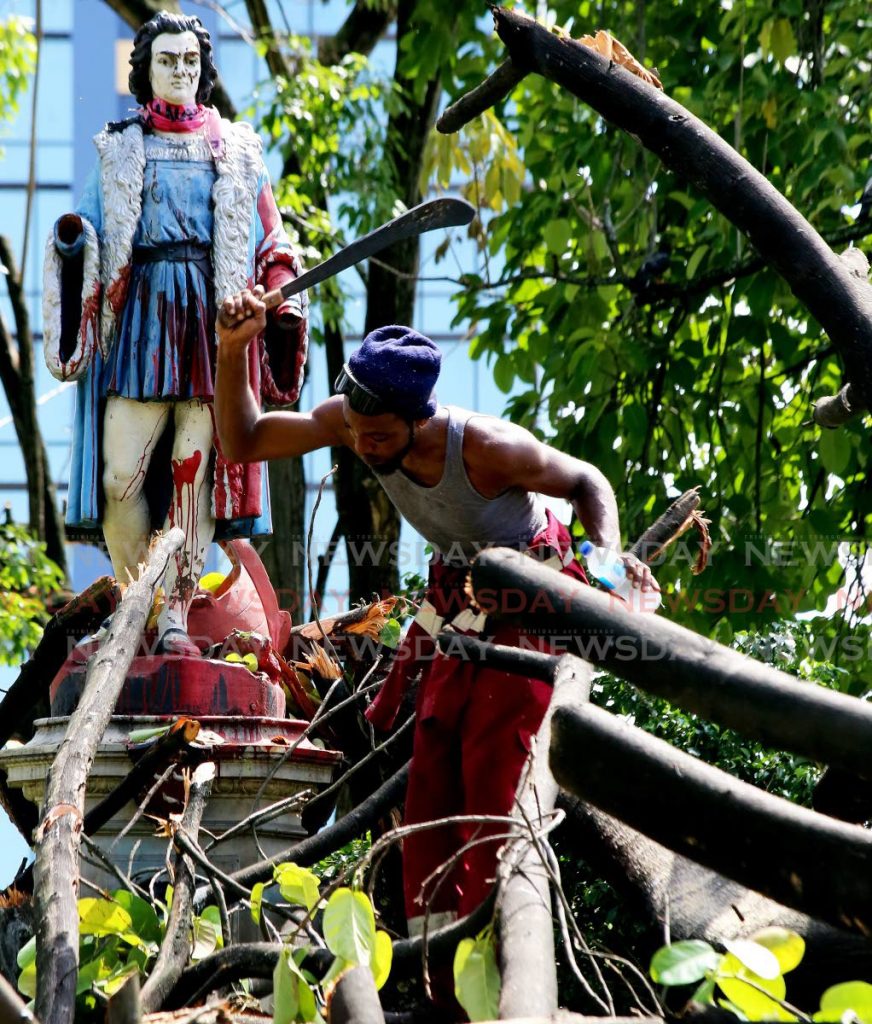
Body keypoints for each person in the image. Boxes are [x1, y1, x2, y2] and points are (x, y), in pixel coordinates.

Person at [214, 286, 659, 941]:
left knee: (491, 761)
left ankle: (496, 939)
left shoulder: (485, 447)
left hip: (528, 589)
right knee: (434, 748)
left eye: (381, 436)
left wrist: (609, 569)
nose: (364, 446)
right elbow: (244, 440)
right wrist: (232, 350)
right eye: (357, 433)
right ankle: (437, 956)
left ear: (417, 419)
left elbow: (587, 481)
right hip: (458, 592)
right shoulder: (350, 421)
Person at [42, 12, 308, 655]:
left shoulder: (239, 151)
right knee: (120, 479)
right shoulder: (119, 147)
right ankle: (136, 601)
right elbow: (89, 228)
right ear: (145, 70)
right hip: (140, 324)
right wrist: (76, 244)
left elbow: (273, 240)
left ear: (203, 69)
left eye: (190, 61)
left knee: (194, 479)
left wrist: (278, 281)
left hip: (212, 333)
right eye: (168, 61)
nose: (181, 71)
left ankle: (174, 618)